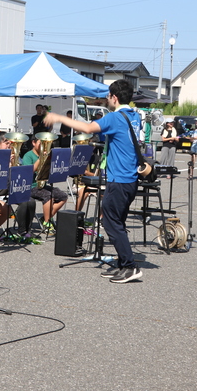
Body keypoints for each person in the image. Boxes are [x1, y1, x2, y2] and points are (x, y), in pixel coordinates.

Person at [44, 79, 143, 284]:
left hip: (119, 179)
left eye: (108, 96)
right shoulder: (134, 116)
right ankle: (123, 264)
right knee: (118, 222)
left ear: (114, 97)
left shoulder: (115, 117)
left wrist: (59, 117)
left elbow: (88, 128)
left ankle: (130, 266)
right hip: (130, 178)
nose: (107, 99)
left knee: (110, 222)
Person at [0, 132, 38, 240]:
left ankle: (27, 230)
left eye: (10, 143)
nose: (9, 145)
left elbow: (21, 173)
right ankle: (21, 231)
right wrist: (6, 165)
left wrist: (15, 163)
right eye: (6, 143)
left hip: (12, 188)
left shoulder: (12, 155)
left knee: (30, 201)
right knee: (24, 202)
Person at [21, 135, 68, 234]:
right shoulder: (28, 156)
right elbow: (28, 171)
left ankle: (45, 218)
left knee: (63, 196)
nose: (43, 146)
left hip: (42, 185)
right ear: (33, 143)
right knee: (48, 196)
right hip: (31, 186)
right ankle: (47, 223)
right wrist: (41, 158)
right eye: (40, 143)